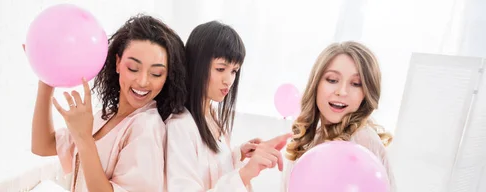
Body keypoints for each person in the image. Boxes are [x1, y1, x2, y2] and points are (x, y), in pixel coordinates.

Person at [29, 14, 187, 192]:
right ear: (118, 63)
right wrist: (46, 76)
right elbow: (43, 146)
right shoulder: (107, 116)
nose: (143, 81)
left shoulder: (146, 128)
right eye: (133, 68)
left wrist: (84, 138)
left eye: (156, 73)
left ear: (167, 78)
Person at [165, 20, 291, 192]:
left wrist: (239, 153)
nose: (229, 80)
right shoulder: (180, 126)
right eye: (220, 69)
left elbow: (213, 170)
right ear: (197, 65)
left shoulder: (211, 114)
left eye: (234, 71)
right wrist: (245, 174)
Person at [280, 41, 396, 191]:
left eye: (356, 83)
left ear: (366, 93)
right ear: (316, 83)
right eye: (332, 80)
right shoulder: (309, 136)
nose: (342, 91)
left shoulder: (363, 140)